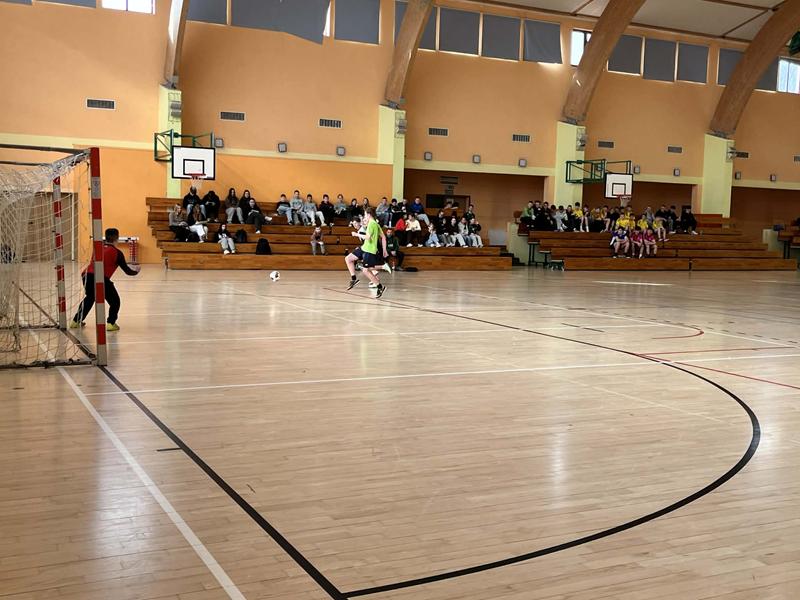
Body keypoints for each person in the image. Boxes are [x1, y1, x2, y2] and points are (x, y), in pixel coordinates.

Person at [70, 228, 139, 332]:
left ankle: (75, 321)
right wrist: (136, 271)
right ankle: (111, 323)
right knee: (115, 301)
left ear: (106, 237)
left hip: (86, 275)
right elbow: (128, 271)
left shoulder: (97, 248)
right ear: (117, 238)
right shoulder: (117, 253)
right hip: (101, 277)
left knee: (90, 298)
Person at [345, 209, 386, 298]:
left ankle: (380, 287)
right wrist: (384, 250)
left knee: (365, 270)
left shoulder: (372, 223)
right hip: (364, 248)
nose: (364, 216)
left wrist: (356, 234)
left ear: (369, 214)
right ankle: (354, 279)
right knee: (348, 258)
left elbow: (368, 237)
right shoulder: (375, 224)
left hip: (369, 250)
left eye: (365, 214)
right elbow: (383, 237)